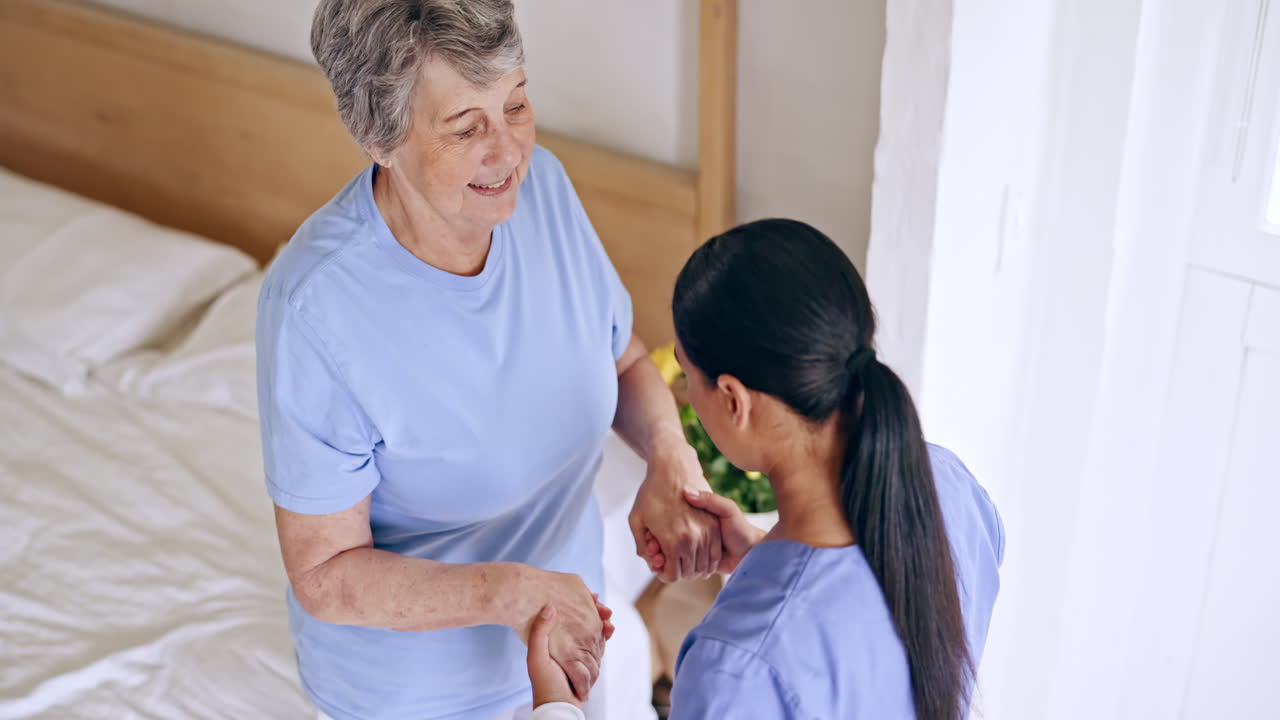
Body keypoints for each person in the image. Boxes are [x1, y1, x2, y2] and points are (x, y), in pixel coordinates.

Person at [255, 2, 721, 718]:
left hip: (570, 632)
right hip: (420, 692)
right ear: (379, 136)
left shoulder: (547, 192)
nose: (507, 152)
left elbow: (622, 360)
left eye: (517, 103)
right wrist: (513, 592)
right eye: (466, 127)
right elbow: (325, 575)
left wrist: (668, 454)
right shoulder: (316, 310)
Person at [526, 219, 1005, 719]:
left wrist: (556, 704)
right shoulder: (951, 488)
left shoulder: (735, 669)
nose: (686, 396)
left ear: (734, 399)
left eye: (688, 378)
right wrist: (762, 558)